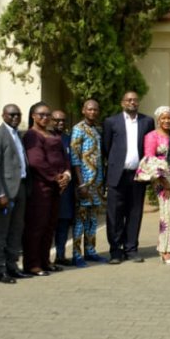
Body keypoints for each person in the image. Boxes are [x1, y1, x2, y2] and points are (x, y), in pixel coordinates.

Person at [102, 90, 154, 263]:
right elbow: (106, 147)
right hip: (117, 175)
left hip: (137, 176)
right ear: (122, 103)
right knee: (115, 214)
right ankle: (115, 251)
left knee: (134, 213)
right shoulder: (111, 122)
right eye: (129, 100)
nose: (132, 102)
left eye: (135, 100)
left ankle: (131, 249)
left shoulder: (147, 121)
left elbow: (149, 146)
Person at [23, 102, 71, 276]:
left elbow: (65, 157)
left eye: (47, 114)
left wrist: (66, 175)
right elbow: (37, 162)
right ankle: (32, 264)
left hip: (57, 187)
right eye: (41, 114)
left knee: (50, 225)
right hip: (40, 187)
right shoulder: (32, 135)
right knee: (37, 226)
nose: (45, 118)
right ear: (33, 116)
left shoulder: (52, 134)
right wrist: (55, 178)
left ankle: (45, 260)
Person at [0, 104, 31, 284]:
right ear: (3, 115)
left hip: (20, 187)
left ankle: (13, 266)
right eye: (12, 114)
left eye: (18, 114)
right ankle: (0, 269)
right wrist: (0, 193)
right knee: (1, 231)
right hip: (6, 191)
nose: (15, 117)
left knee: (16, 229)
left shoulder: (17, 134)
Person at [138, 106, 170, 266]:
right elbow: (149, 159)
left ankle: (169, 248)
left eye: (169, 118)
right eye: (163, 118)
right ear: (158, 119)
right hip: (161, 179)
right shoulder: (152, 136)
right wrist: (163, 181)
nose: (166, 121)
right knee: (167, 214)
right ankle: (165, 251)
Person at [69, 99, 107, 268]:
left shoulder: (97, 129)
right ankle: (77, 255)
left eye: (95, 110)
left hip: (97, 183)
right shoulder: (78, 129)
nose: (93, 112)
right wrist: (81, 183)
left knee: (93, 218)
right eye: (90, 109)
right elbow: (75, 158)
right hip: (84, 182)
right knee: (80, 219)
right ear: (83, 110)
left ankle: (91, 251)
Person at [51, 109, 75, 266]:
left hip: (66, 189)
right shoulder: (45, 137)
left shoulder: (68, 139)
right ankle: (44, 258)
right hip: (50, 187)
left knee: (64, 223)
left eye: (63, 120)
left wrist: (66, 177)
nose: (60, 123)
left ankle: (60, 255)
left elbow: (71, 161)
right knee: (49, 224)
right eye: (56, 120)